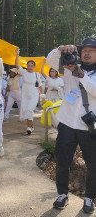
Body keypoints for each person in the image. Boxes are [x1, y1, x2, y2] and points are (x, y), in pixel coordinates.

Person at [46, 38, 96, 214]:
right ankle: (62, 194)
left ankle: (89, 198)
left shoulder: (77, 69)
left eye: (92, 50)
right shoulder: (68, 65)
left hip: (89, 127)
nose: (87, 53)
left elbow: (94, 90)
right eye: (84, 51)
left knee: (93, 164)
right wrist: (60, 49)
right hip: (67, 123)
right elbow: (49, 61)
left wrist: (79, 72)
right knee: (62, 161)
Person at [15, 50, 42, 135]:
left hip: (34, 94)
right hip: (25, 94)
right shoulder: (24, 72)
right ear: (27, 66)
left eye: (31, 66)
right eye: (28, 65)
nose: (30, 67)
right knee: (26, 110)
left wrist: (42, 96)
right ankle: (30, 127)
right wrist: (17, 55)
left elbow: (40, 86)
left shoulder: (37, 74)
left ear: (34, 66)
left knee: (29, 109)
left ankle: (30, 127)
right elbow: (17, 65)